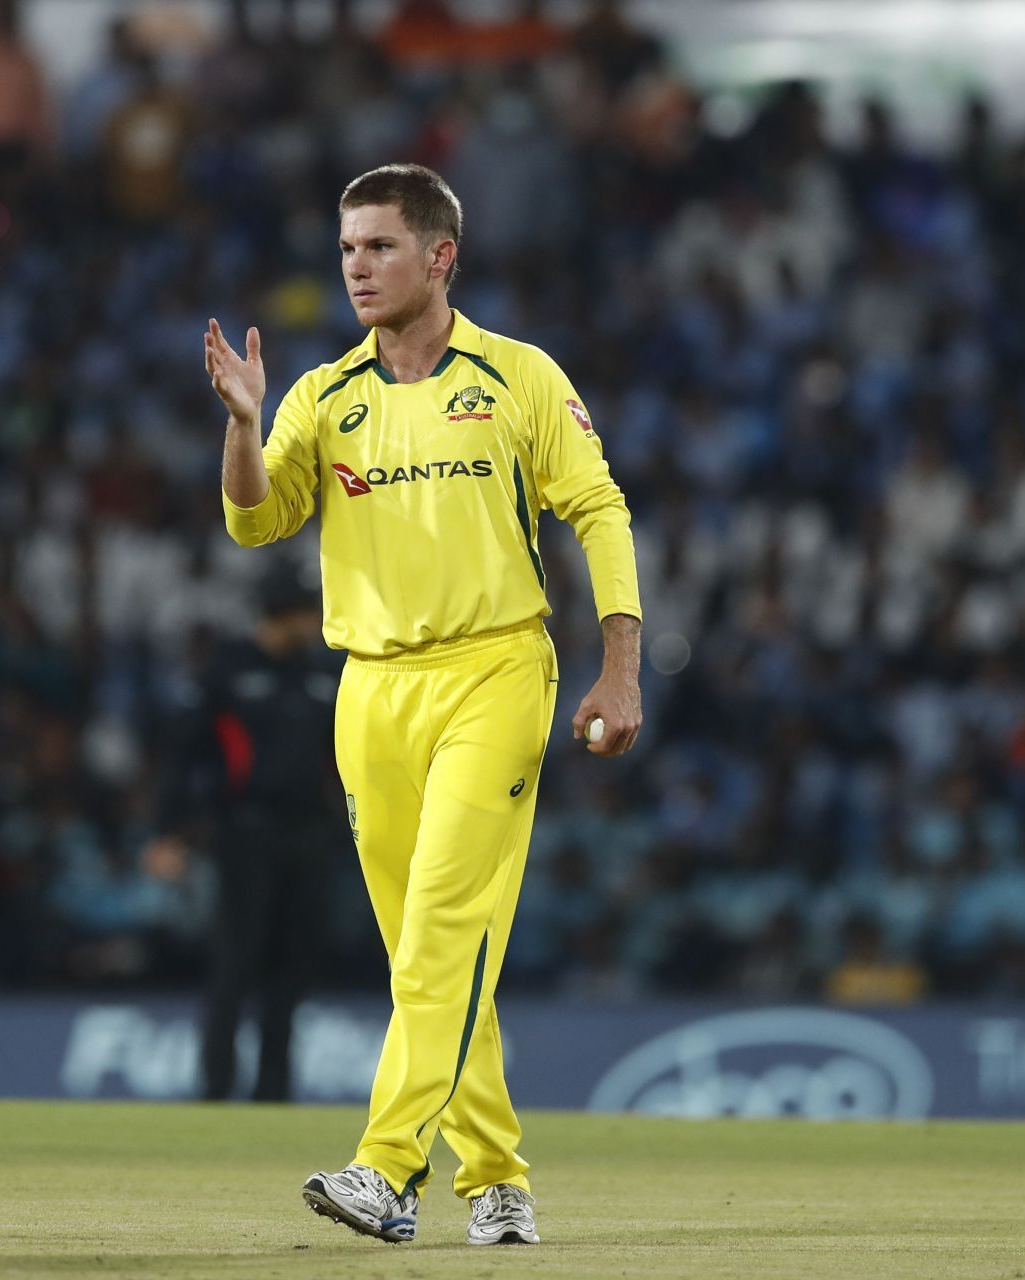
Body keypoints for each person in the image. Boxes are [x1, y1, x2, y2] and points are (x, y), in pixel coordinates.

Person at [203, 163, 642, 1247]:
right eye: (348, 247)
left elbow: (599, 506)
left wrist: (621, 662)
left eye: (380, 247)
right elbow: (254, 525)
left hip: (496, 670)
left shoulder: (520, 376)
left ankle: (386, 1167)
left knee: (446, 920)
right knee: (426, 951)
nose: (357, 266)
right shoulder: (322, 393)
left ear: (440, 257)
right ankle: (495, 1175)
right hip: (372, 688)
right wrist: (246, 426)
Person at [149, 563, 340, 1102]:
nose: (313, 623)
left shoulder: (323, 674)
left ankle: (274, 1095)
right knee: (235, 962)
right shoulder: (228, 671)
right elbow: (183, 755)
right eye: (305, 613)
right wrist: (168, 832)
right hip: (243, 834)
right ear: (281, 615)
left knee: (292, 967)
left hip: (309, 835)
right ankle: (215, 1093)